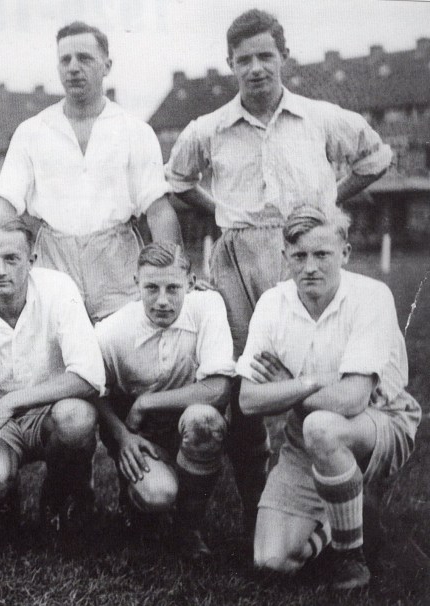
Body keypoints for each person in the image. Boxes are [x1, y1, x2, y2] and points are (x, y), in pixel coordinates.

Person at [165, 8, 394, 535]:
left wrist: (326, 207)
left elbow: (375, 158)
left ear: (283, 57)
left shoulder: (320, 117)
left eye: (265, 56)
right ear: (230, 63)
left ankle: (345, 495)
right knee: (245, 382)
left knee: (333, 369)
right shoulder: (208, 128)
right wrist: (222, 212)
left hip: (306, 254)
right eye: (243, 59)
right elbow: (177, 181)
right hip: (239, 261)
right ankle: (256, 501)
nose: (256, 68)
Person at [238, 206, 420, 590]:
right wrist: (310, 383)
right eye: (299, 256)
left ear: (345, 253)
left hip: (381, 419)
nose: (310, 267)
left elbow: (353, 399)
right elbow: (249, 400)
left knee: (322, 427)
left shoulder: (372, 296)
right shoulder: (272, 303)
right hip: (307, 435)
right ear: (285, 257)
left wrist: (289, 388)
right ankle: (348, 510)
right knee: (272, 560)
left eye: (322, 254)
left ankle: (350, 557)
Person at [0, 21, 180, 323]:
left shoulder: (135, 131)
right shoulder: (32, 131)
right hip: (54, 262)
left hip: (118, 266)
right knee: (56, 343)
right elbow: (3, 206)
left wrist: (173, 271)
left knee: (124, 343)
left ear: (107, 65)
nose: (74, 68)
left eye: (85, 58)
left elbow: (159, 211)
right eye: (65, 60)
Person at [0, 218, 106, 536]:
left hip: (49, 410)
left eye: (12, 259)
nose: (1, 270)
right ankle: (5, 499)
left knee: (77, 418)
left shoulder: (59, 290)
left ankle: (58, 494)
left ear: (32, 260)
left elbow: (89, 375)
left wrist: (12, 402)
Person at [94, 243, 235, 559]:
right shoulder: (112, 331)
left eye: (173, 288)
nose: (162, 300)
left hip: (183, 421)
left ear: (191, 283)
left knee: (205, 421)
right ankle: (136, 501)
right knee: (158, 494)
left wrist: (145, 402)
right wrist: (122, 437)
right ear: (136, 284)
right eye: (151, 288)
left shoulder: (208, 306)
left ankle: (187, 527)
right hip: (139, 433)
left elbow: (218, 390)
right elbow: (93, 391)